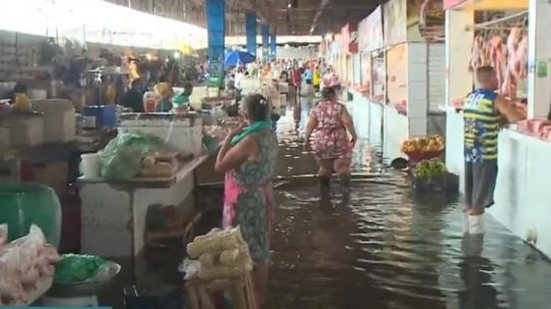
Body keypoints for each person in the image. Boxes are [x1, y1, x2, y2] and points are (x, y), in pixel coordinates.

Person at [214, 94, 278, 307]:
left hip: (245, 203)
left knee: (242, 251)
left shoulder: (249, 140)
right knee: (260, 251)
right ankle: (256, 301)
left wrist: (228, 139)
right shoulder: (268, 133)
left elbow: (220, 166)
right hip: (260, 197)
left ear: (245, 113)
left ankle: (244, 301)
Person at [462, 66, 525, 235]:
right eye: (496, 77)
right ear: (489, 79)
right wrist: (509, 111)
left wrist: (498, 117)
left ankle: (466, 238)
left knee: (469, 201)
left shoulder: (469, 98)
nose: (498, 79)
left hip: (469, 155)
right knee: (479, 204)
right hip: (485, 156)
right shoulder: (494, 99)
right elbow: (517, 118)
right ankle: (475, 248)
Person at [305, 86, 357, 191]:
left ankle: (324, 194)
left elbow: (310, 125)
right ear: (333, 95)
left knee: (324, 167)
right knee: (342, 167)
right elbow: (347, 122)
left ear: (322, 96)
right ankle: (345, 192)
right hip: (339, 141)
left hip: (321, 142)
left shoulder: (316, 109)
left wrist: (306, 139)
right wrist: (354, 136)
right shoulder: (339, 107)